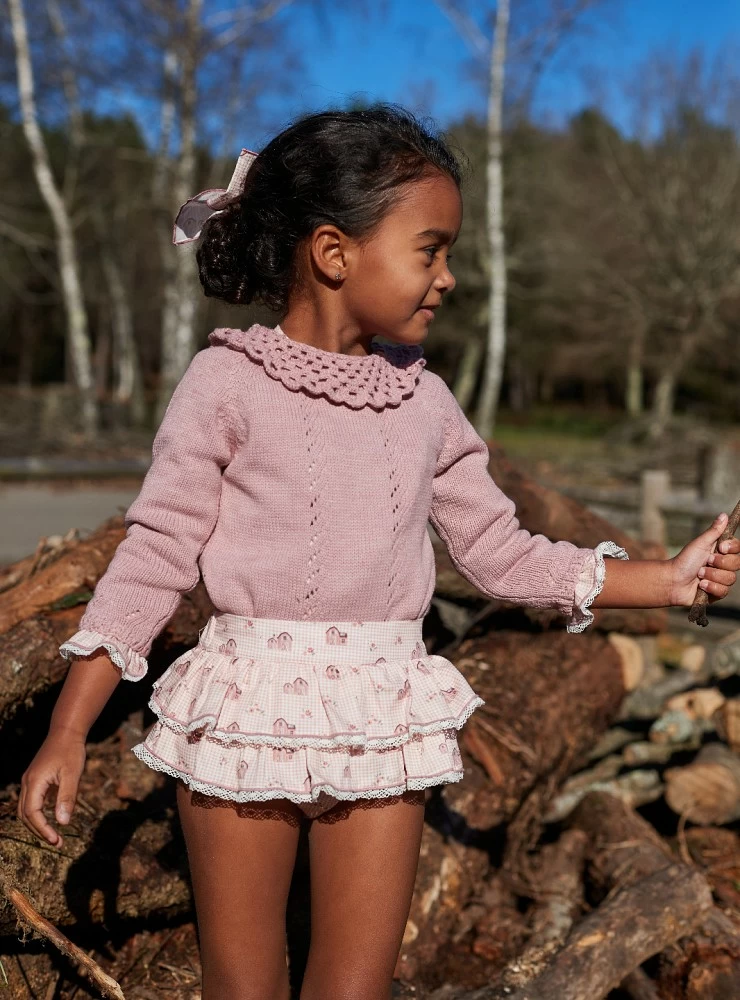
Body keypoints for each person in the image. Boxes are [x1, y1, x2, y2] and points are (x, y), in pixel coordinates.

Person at [18, 104, 740, 1000]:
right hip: (244, 706)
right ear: (334, 253)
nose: (447, 278)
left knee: (354, 990)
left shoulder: (425, 403)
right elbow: (154, 555)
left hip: (384, 712)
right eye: (430, 249)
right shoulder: (225, 384)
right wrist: (68, 727)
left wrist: (668, 580)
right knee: (241, 988)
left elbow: (500, 553)